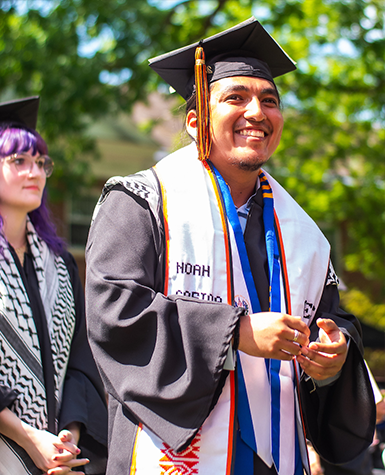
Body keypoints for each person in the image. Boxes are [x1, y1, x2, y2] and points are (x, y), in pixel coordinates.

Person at [85, 17, 375, 475]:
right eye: (235, 97)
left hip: (277, 458)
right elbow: (114, 314)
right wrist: (235, 335)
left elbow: (336, 321)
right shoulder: (142, 202)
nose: (257, 112)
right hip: (173, 454)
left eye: (269, 100)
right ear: (197, 121)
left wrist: (332, 358)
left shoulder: (303, 234)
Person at [0, 97, 107, 475]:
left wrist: (68, 438)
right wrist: (29, 437)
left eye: (40, 162)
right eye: (19, 161)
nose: (35, 172)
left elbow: (81, 358)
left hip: (57, 455)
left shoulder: (58, 262)